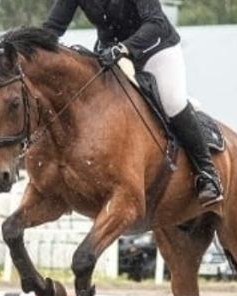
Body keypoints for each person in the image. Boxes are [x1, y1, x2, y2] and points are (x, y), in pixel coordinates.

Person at [43, 0, 223, 207]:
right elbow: (53, 28)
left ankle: (207, 173)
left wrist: (124, 47)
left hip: (154, 49)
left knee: (172, 102)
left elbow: (155, 21)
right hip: (111, 54)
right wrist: (24, 47)